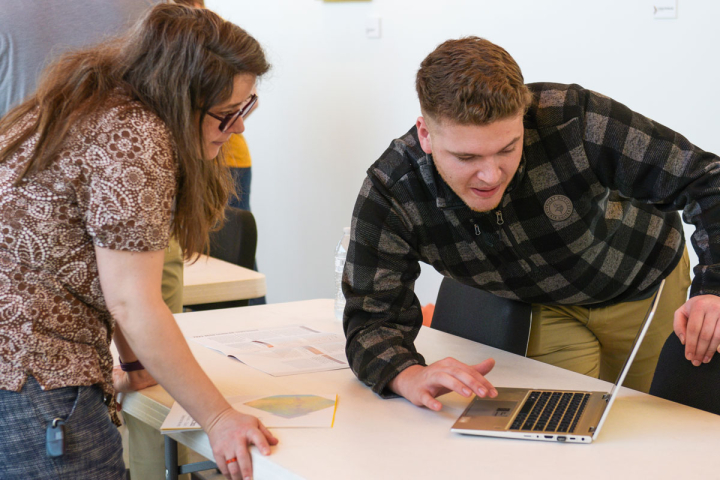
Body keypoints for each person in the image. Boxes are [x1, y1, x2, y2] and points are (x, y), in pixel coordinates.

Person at [342, 36, 720, 412]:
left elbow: (707, 180)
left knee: (653, 427)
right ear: (425, 134)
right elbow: (371, 316)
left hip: (644, 280)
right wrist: (406, 374)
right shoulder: (393, 189)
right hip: (544, 305)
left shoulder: (574, 119)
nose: (490, 175)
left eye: (507, 148)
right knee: (559, 430)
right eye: (467, 156)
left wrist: (713, 286)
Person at [0, 5, 276, 480]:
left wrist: (134, 363)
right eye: (227, 116)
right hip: (34, 377)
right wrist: (217, 417)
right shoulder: (136, 138)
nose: (239, 129)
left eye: (245, 110)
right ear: (179, 96)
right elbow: (132, 302)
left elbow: (111, 268)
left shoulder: (90, 105)